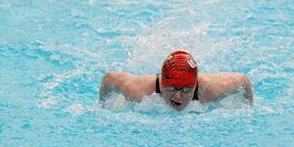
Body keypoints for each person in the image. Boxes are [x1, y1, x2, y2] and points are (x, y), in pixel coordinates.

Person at [99, 50, 253, 110]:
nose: (177, 96)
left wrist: (248, 109)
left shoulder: (211, 90)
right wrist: (103, 107)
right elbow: (109, 79)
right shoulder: (140, 92)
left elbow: (243, 80)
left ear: (195, 86)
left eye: (186, 90)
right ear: (162, 84)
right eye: (171, 88)